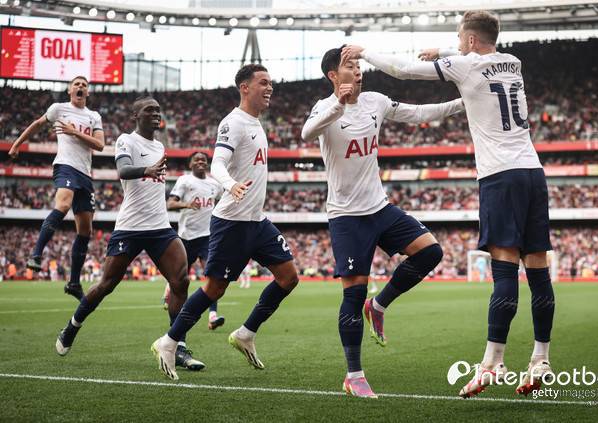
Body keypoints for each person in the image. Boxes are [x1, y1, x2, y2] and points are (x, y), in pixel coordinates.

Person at [342, 9, 555, 398]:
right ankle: (541, 358)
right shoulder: (513, 62)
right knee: (539, 272)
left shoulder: (466, 65)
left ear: (470, 41)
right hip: (532, 172)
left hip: (500, 177)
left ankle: (492, 363)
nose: (457, 44)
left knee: (505, 272)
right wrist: (442, 50)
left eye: (459, 38)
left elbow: (404, 70)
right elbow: (479, 57)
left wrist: (365, 51)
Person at [301, 46, 464, 398]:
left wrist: (461, 103)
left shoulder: (375, 101)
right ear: (333, 75)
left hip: (380, 208)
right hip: (347, 216)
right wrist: (338, 105)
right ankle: (354, 375)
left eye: (359, 65)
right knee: (353, 292)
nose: (358, 70)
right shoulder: (324, 107)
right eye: (350, 66)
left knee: (431, 252)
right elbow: (307, 133)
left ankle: (378, 305)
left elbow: (417, 112)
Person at [151, 64, 300, 381]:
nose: (270, 87)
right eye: (263, 82)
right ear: (245, 87)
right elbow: (218, 162)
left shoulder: (256, 123)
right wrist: (230, 185)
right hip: (232, 221)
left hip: (256, 220)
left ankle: (246, 333)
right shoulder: (233, 122)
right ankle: (169, 341)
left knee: (288, 277)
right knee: (214, 288)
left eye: (271, 82)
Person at [54, 96, 205, 372]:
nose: (156, 113)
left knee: (180, 280)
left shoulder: (159, 145)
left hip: (159, 226)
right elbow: (123, 170)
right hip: (131, 227)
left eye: (158, 110)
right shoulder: (126, 140)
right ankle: (72, 325)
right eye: (149, 110)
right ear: (136, 116)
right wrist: (146, 169)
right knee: (106, 284)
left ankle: (177, 347)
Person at [8, 76, 104, 300]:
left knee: (85, 230)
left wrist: (75, 132)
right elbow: (37, 124)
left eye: (84, 85)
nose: (80, 87)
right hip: (65, 166)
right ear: (70, 90)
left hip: (85, 174)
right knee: (63, 204)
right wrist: (16, 144)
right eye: (77, 84)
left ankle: (74, 283)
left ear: (87, 92)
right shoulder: (58, 108)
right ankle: (36, 254)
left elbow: (100, 145)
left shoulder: (94, 116)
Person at [165, 151, 226, 330]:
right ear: (190, 164)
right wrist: (187, 204)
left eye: (203, 160)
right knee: (180, 280)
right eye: (196, 159)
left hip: (207, 237)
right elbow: (170, 204)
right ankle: (169, 294)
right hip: (187, 237)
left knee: (214, 276)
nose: (200, 162)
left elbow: (222, 202)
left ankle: (212, 316)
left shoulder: (215, 185)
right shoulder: (184, 181)